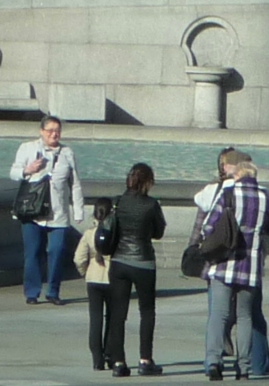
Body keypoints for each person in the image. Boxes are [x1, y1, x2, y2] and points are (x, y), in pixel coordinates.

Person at [199, 153, 269, 382]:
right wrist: (264, 247)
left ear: (238, 175)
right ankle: (242, 367)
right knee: (245, 317)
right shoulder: (266, 197)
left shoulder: (228, 193)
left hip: (224, 263)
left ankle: (214, 361)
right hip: (251, 265)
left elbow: (208, 226)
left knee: (219, 315)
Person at [10, 115, 85, 305]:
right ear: (41, 131)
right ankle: (32, 293)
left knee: (56, 251)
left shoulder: (67, 152)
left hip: (58, 213)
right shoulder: (27, 148)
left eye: (57, 131)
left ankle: (53, 291)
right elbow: (13, 172)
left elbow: (75, 184)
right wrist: (28, 170)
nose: (54, 134)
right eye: (50, 130)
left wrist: (78, 211)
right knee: (33, 253)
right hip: (32, 212)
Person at [107, 161, 167, 379]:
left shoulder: (118, 202)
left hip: (119, 261)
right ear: (148, 182)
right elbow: (158, 232)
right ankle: (145, 360)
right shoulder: (151, 205)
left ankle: (118, 362)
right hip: (143, 261)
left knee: (117, 313)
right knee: (147, 311)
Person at [75, 196, 118, 372]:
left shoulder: (88, 234)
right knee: (113, 319)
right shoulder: (115, 234)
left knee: (95, 319)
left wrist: (85, 272)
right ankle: (109, 352)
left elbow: (78, 258)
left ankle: (96, 359)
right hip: (112, 278)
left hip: (93, 278)